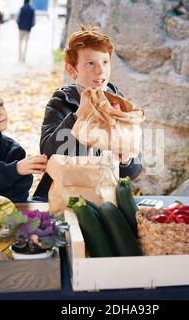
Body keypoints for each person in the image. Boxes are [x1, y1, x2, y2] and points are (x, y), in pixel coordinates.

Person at [33, 25, 142, 201]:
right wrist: (79, 115)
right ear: (71, 70)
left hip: (104, 196)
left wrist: (126, 160)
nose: (100, 71)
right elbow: (48, 153)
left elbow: (133, 171)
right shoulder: (60, 103)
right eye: (91, 63)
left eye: (105, 62)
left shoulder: (119, 105)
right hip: (63, 196)